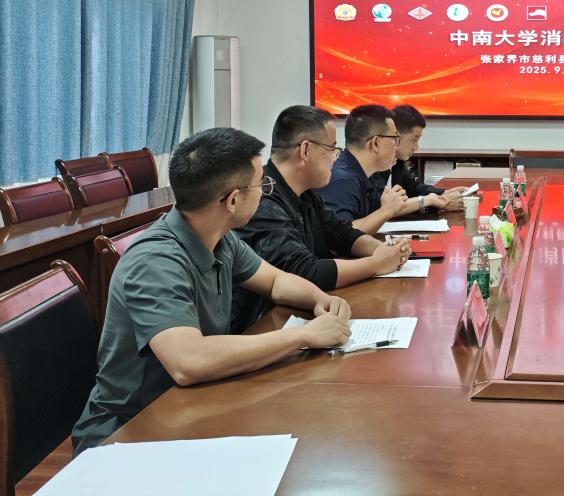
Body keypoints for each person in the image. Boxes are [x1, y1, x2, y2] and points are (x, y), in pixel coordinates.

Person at [72, 127, 352, 454]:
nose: (265, 191)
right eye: (261, 184)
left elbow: (276, 281)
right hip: (126, 436)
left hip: (188, 408)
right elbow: (189, 362)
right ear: (233, 200)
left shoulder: (218, 237)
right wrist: (303, 336)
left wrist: (321, 300)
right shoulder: (155, 262)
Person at [231, 106, 409, 333]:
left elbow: (341, 233)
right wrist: (375, 264)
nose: (336, 157)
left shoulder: (306, 192)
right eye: (332, 148)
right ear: (306, 150)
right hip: (259, 327)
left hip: (299, 313)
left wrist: (383, 250)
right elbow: (304, 271)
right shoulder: (262, 198)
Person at [318, 104, 444, 233]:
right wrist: (387, 210)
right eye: (394, 139)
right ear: (375, 143)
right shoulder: (343, 180)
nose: (396, 146)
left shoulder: (362, 174)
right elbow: (341, 233)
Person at [370, 104, 467, 212]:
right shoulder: (373, 164)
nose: (416, 147)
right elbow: (380, 207)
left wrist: (443, 193)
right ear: (395, 135)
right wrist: (431, 200)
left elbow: (412, 187)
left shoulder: (397, 160)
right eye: (414, 140)